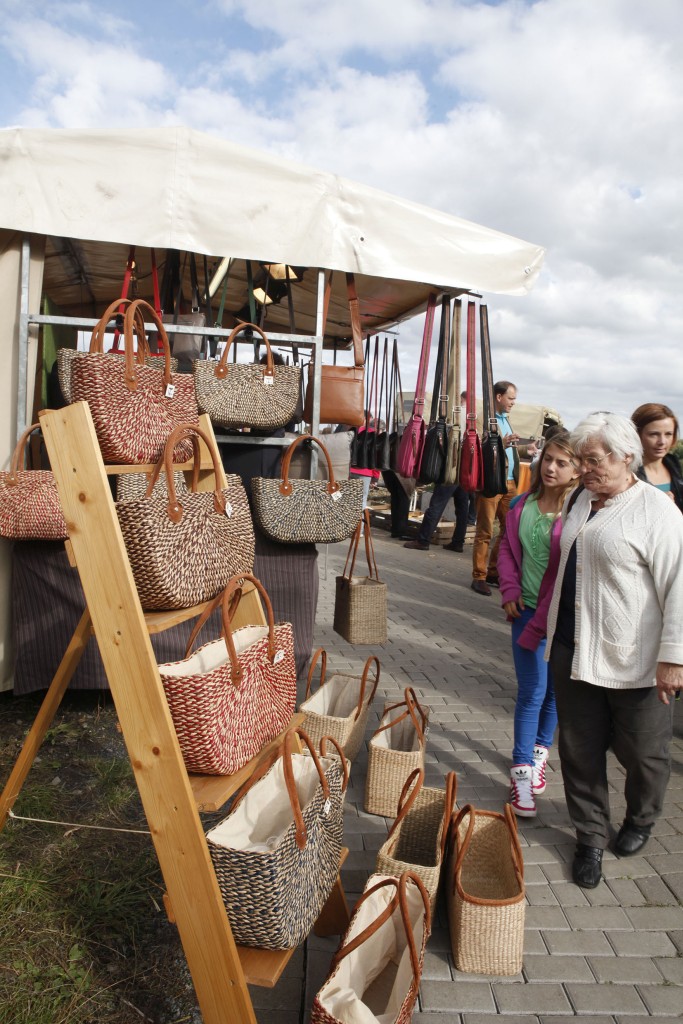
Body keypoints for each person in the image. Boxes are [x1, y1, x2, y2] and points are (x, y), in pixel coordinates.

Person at [545, 412, 683, 890]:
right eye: (581, 460)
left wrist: (674, 657)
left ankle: (641, 818)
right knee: (579, 749)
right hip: (573, 649)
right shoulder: (581, 500)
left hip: (635, 659)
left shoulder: (658, 512)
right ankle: (590, 837)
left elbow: (678, 587)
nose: (584, 470)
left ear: (626, 456)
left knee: (644, 754)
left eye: (593, 460)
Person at [497, 431, 580, 817]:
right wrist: (509, 589)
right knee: (532, 691)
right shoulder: (521, 503)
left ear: (577, 470)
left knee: (554, 693)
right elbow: (506, 548)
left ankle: (539, 752)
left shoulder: (578, 514)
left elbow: (571, 571)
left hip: (562, 619)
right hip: (525, 613)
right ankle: (521, 771)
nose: (551, 467)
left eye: (562, 463)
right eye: (548, 459)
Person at [471, 381, 537, 596]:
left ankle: (493, 571)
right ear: (498, 397)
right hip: (491, 482)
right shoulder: (483, 418)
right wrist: (502, 442)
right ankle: (479, 576)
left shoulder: (505, 419)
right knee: (485, 531)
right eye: (511, 398)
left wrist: (525, 449)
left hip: (509, 482)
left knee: (509, 529)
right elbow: (478, 447)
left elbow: (509, 448)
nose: (513, 403)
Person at [631, 402, 683, 512]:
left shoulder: (673, 463)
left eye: (668, 434)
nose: (662, 442)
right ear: (636, 434)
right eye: (654, 434)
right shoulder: (627, 472)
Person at [403, 483, 469, 551]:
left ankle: (423, 540)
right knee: (462, 510)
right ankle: (458, 543)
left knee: (436, 506)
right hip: (464, 478)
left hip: (451, 478)